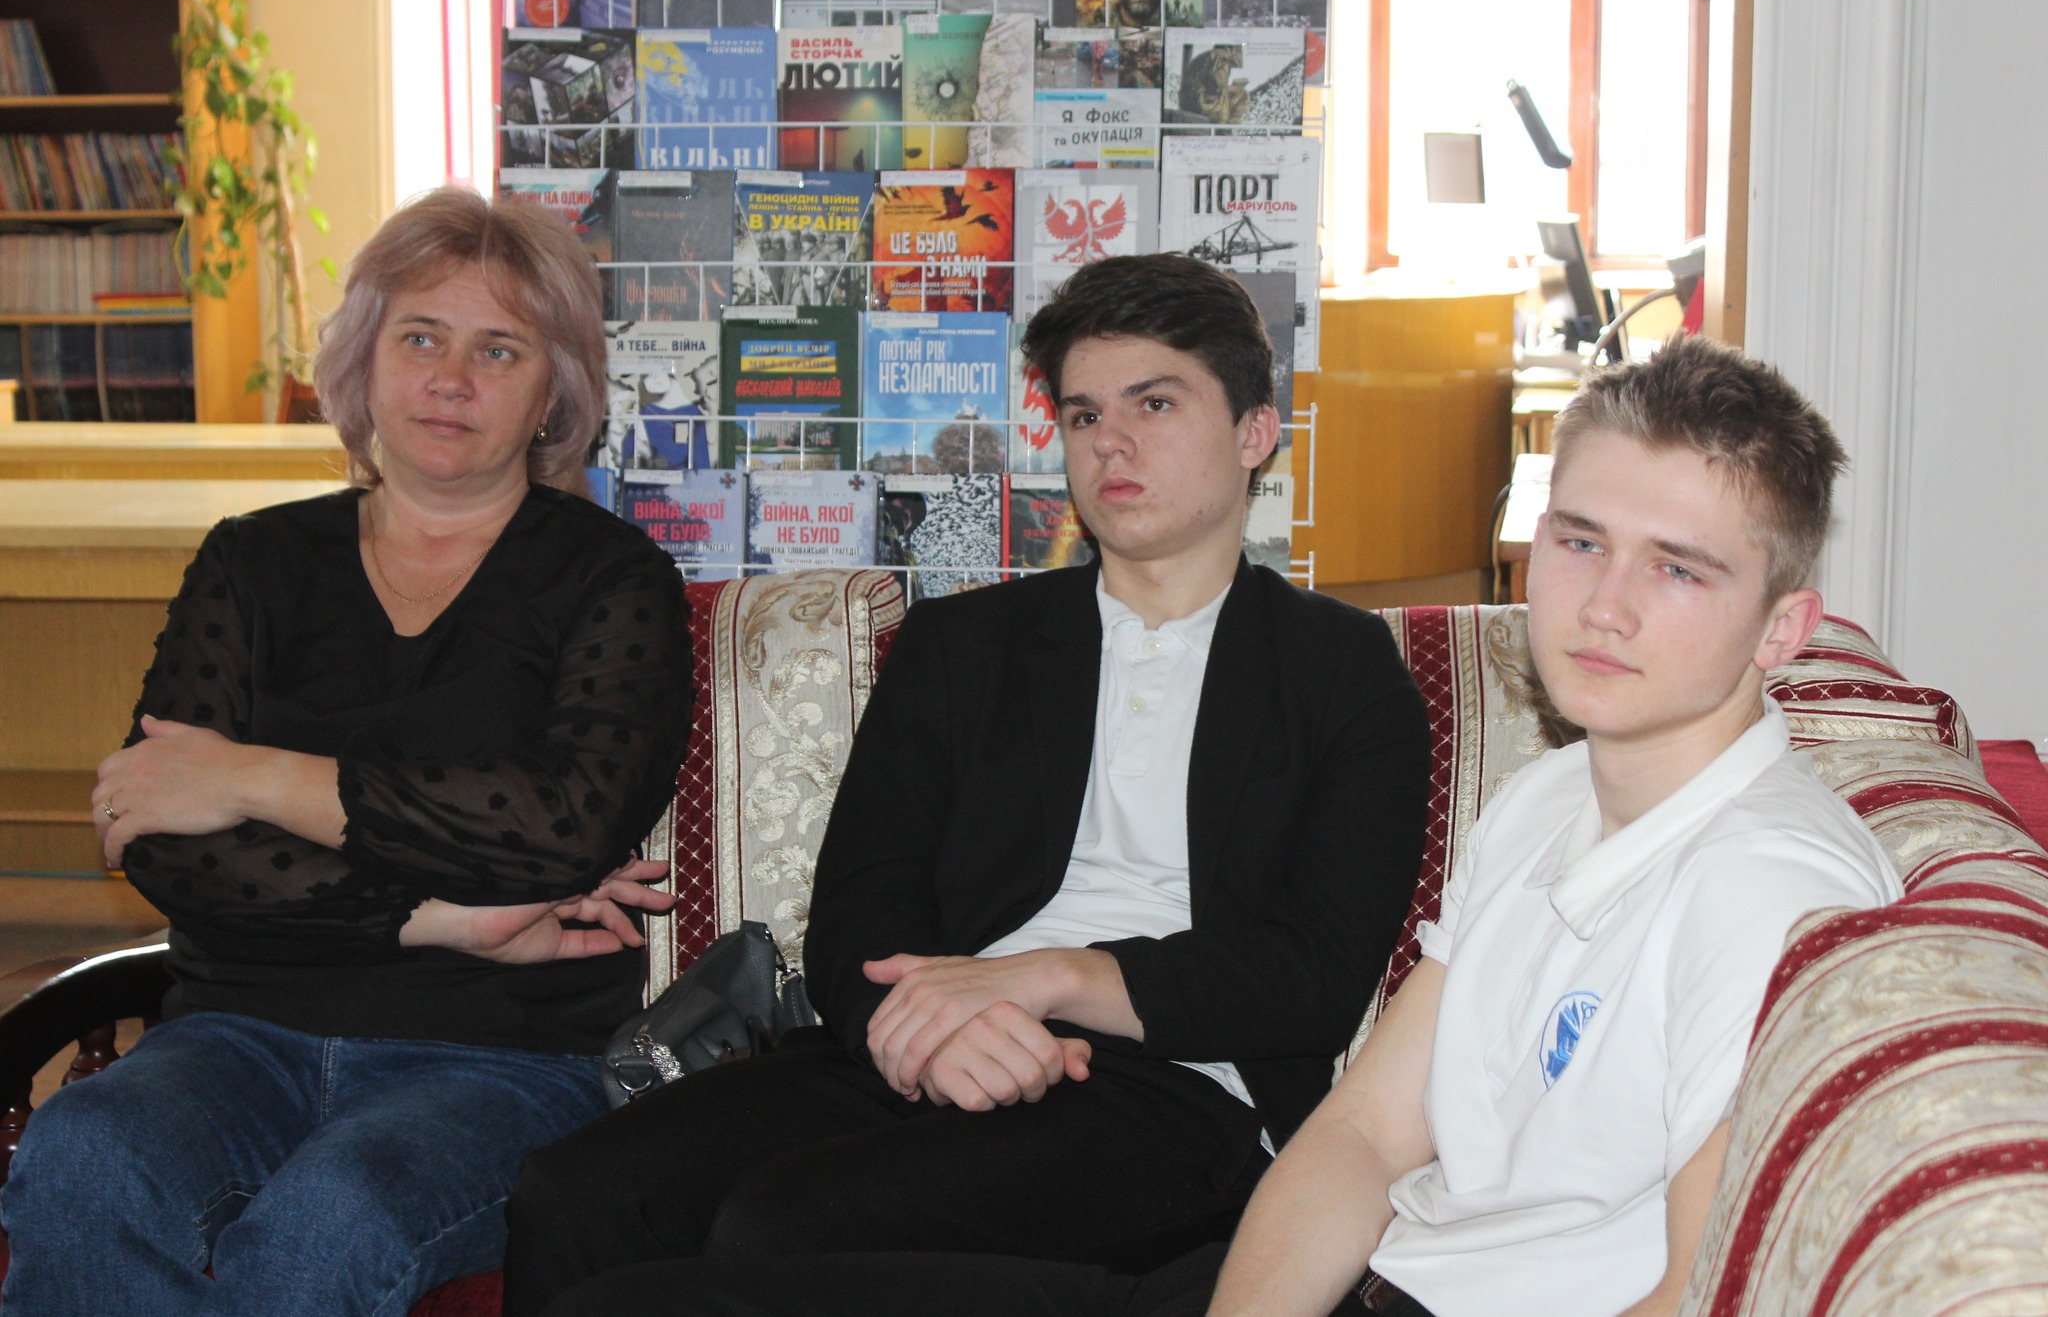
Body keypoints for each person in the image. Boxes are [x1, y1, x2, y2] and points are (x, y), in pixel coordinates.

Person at [515, 335, 1908, 1317]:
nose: (1603, 605)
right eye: (1580, 539)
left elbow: (1704, 1289)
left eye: (1680, 570)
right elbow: (1366, 1131)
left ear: (1783, 626)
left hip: (1297, 1204)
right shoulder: (1549, 798)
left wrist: (1055, 985)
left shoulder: (1767, 891)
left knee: (765, 1250)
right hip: (1334, 1273)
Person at [501, 253, 1433, 1316]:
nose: (1111, 441)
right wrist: (938, 1029)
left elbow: (1310, 973)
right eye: (1083, 415)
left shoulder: (1340, 670)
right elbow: (859, 908)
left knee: (790, 1224)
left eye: (1155, 403)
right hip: (929, 1041)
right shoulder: (966, 645)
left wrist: (1046, 980)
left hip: (1176, 1085)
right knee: (576, 1193)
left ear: (1255, 431)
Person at [0, 187, 693, 1317]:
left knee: (327, 1217)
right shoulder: (251, 563)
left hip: (503, 1060)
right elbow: (167, 846)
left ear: (552, 395)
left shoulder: (613, 581)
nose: (450, 378)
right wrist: (442, 918)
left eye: (498, 349)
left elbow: (559, 828)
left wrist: (251, 778)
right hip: (236, 1036)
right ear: (364, 360)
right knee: (84, 1154)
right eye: (419, 337)